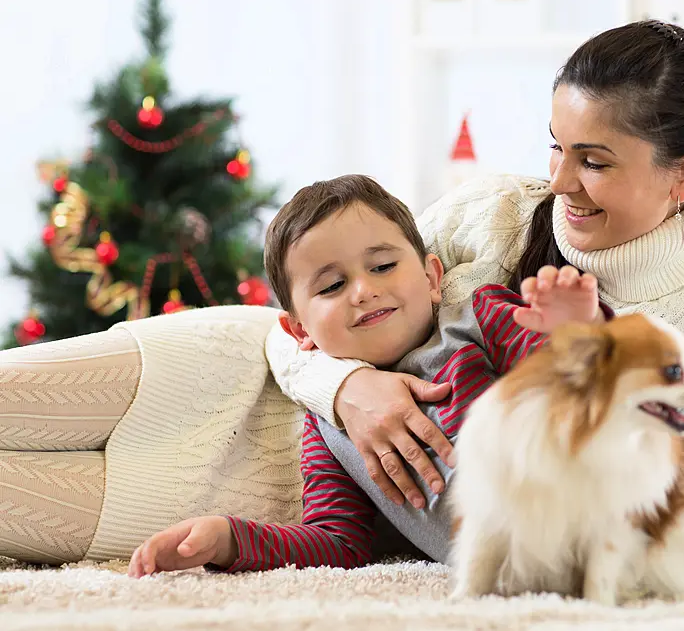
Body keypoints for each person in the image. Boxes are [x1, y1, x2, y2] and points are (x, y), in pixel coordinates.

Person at [0, 20, 684, 588]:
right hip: (251, 379)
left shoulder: (487, 300)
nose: (560, 185)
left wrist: (592, 349)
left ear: (683, 174)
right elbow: (291, 336)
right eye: (555, 148)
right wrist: (341, 388)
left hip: (671, 450)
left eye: (593, 160)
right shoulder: (492, 221)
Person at [125, 174, 606, 576]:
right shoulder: (329, 424)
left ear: (432, 277)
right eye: (333, 285)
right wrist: (229, 539)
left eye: (382, 265)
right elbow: (339, 542)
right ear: (300, 330)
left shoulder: (480, 316)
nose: (363, 290)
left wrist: (572, 334)